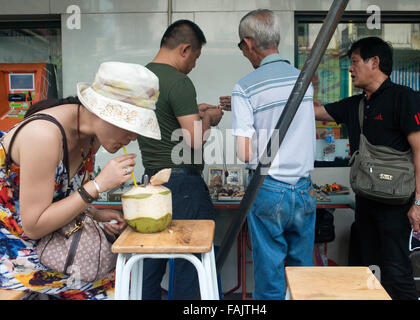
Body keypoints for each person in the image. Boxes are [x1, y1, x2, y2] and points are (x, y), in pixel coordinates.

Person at [0, 61, 161, 300]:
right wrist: (97, 186)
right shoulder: (43, 135)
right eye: (130, 125)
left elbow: (61, 197)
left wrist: (96, 214)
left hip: (50, 241)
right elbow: (33, 226)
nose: (133, 137)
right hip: (14, 249)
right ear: (103, 111)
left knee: (124, 275)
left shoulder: (90, 138)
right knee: (109, 288)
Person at [314, 37, 420, 300]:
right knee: (367, 271)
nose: (350, 69)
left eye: (354, 62)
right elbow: (315, 112)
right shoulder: (356, 104)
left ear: (374, 62)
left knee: (396, 272)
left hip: (397, 205)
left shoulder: (404, 98)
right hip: (365, 201)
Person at [229, 9, 316, 300]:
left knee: (270, 277)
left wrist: (247, 121)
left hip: (267, 189)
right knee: (302, 275)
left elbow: (244, 153)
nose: (244, 53)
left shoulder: (244, 88)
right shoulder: (304, 81)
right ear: (277, 39)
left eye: (242, 47)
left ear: (249, 43)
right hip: (304, 189)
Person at [138, 19, 224, 300]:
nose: (194, 65)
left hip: (150, 181)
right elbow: (195, 139)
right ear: (185, 49)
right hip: (181, 185)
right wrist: (209, 118)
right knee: (191, 263)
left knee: (149, 263)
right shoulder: (179, 82)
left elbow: (164, 122)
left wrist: (193, 114)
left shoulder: (142, 78)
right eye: (195, 58)